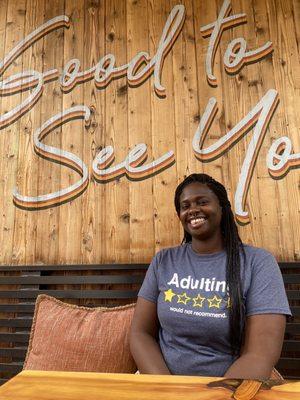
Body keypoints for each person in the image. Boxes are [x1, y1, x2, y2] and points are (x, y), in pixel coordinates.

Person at [130, 173, 291, 379]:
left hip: (230, 388)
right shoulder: (164, 261)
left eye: (202, 202)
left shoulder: (257, 262)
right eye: (185, 206)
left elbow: (260, 354)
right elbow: (140, 334)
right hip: (162, 384)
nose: (193, 210)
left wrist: (215, 394)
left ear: (222, 207)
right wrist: (166, 388)